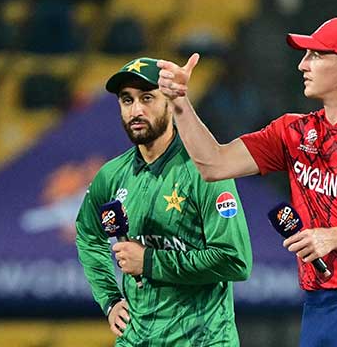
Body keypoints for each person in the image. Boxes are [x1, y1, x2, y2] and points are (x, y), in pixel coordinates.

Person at [157, 17, 337, 347]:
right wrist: (179, 103)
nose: (303, 64)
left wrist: (332, 237)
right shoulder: (292, 131)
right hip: (317, 302)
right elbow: (214, 164)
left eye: (316, 55)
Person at [75, 57, 252, 346]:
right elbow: (87, 235)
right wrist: (110, 299)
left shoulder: (205, 170)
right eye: (127, 100)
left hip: (202, 340)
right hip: (136, 339)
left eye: (147, 98)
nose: (136, 110)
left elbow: (235, 261)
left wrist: (149, 261)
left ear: (170, 102)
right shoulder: (111, 175)